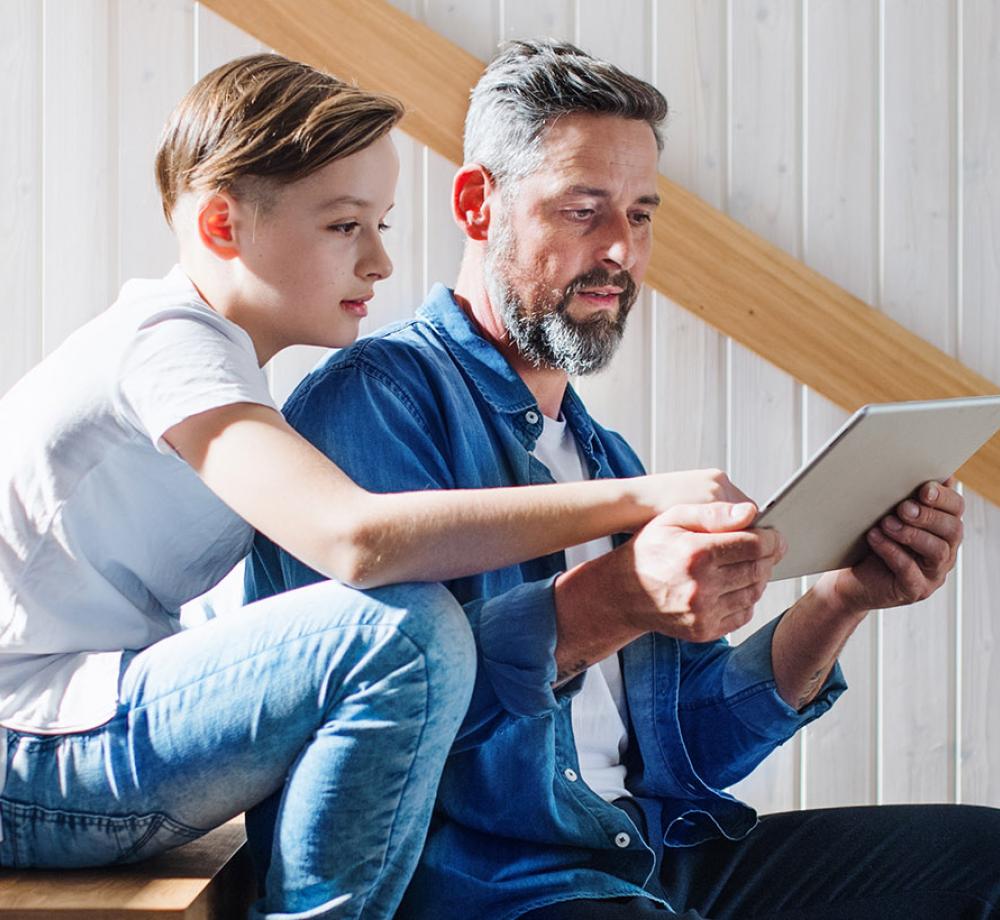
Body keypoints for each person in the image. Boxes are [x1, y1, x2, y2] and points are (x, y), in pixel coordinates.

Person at [246, 40, 1000, 920]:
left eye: (641, 215)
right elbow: (379, 723)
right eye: (581, 210)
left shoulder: (605, 459)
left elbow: (690, 750)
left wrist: (841, 598)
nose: (619, 251)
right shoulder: (372, 405)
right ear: (476, 204)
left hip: (643, 860)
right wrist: (612, 600)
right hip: (494, 890)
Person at [0, 53, 758, 920]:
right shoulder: (168, 343)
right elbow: (355, 538)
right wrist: (642, 499)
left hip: (84, 728)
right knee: (399, 630)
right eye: (344, 226)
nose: (379, 264)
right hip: (25, 753)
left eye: (382, 224)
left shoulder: (233, 378)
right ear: (222, 226)